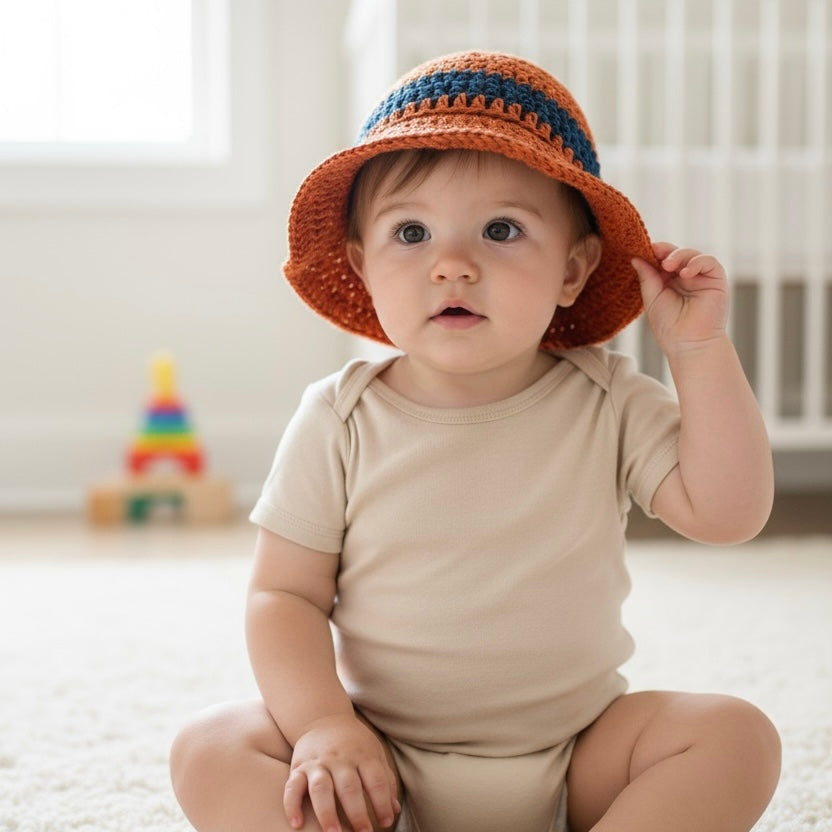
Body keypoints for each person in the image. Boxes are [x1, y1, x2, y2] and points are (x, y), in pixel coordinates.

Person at [169, 51, 781, 832]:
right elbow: (282, 595)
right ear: (363, 265)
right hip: (378, 765)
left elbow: (728, 513)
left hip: (578, 757)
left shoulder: (608, 398)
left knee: (736, 737)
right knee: (211, 748)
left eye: (501, 230)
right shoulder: (340, 417)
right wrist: (326, 725)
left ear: (573, 267)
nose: (451, 265)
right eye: (412, 232)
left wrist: (698, 352)